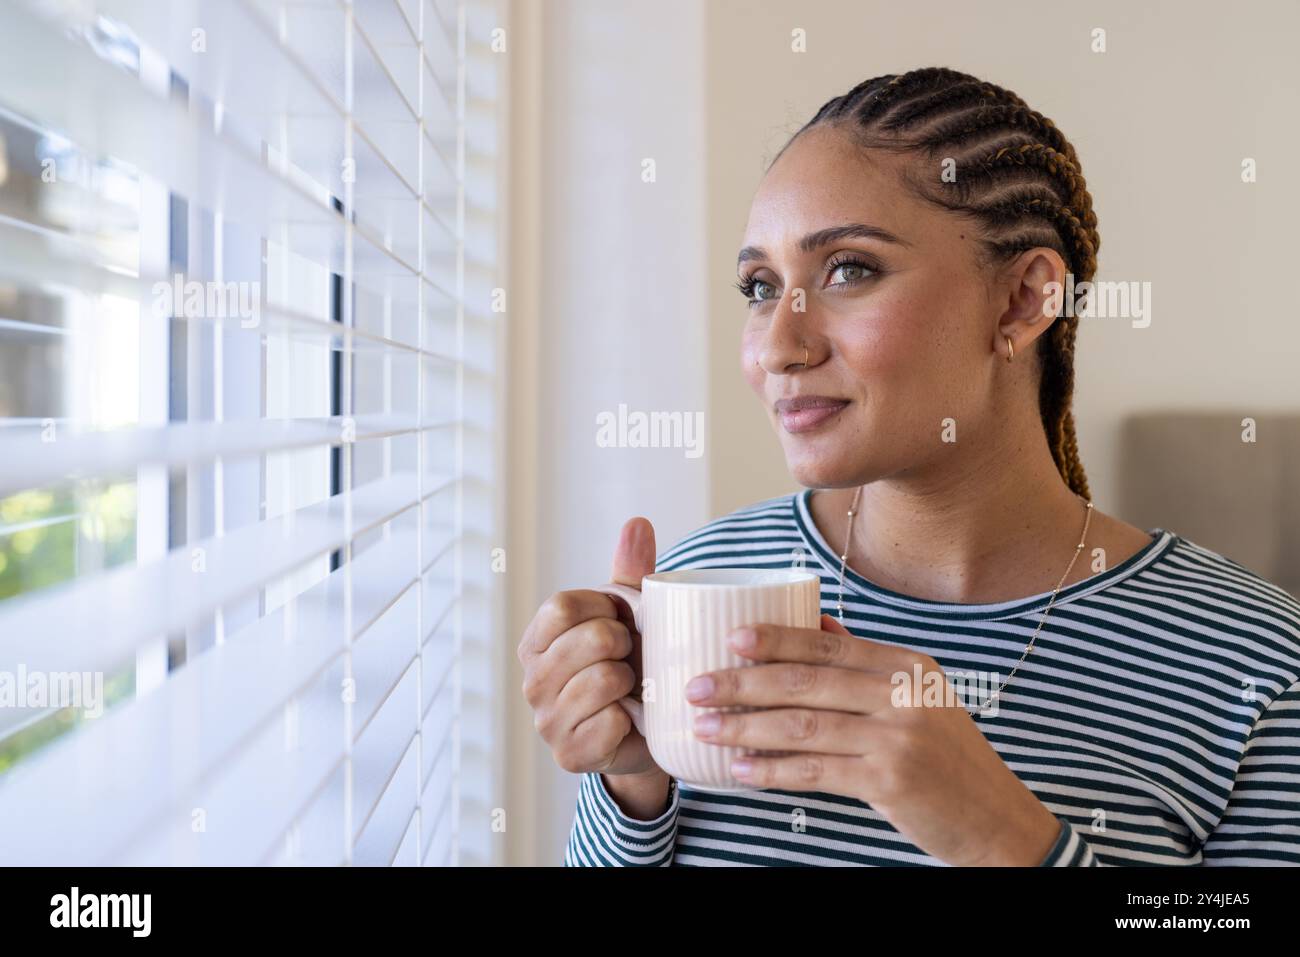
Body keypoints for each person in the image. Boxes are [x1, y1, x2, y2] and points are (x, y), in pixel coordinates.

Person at [517, 67, 1300, 866]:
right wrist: (634, 783)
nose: (778, 348)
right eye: (760, 286)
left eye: (849, 270)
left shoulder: (1257, 668)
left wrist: (1003, 837)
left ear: (1024, 300)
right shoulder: (700, 592)